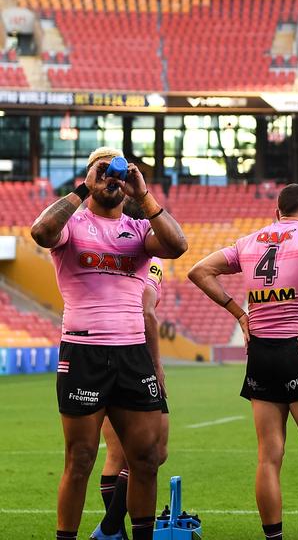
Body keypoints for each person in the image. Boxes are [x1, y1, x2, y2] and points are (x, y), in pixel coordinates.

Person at [188, 183, 298, 540]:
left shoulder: (249, 242)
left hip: (260, 355)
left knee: (268, 457)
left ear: (276, 212)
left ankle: (273, 537)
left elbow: (198, 271)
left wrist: (239, 314)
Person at [31, 148, 188, 540]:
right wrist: (85, 188)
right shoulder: (74, 223)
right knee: (80, 459)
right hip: (83, 351)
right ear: (88, 176)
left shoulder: (137, 231)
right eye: (103, 171)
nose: (111, 179)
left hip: (132, 353)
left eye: (116, 172)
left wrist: (144, 195)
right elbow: (40, 232)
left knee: (146, 459)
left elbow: (177, 245)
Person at [92, 196, 173, 540]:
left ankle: (112, 531)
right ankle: (109, 529)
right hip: (133, 360)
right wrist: (156, 365)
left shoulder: (113, 249)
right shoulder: (149, 257)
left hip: (99, 354)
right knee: (153, 453)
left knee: (118, 455)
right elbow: (148, 312)